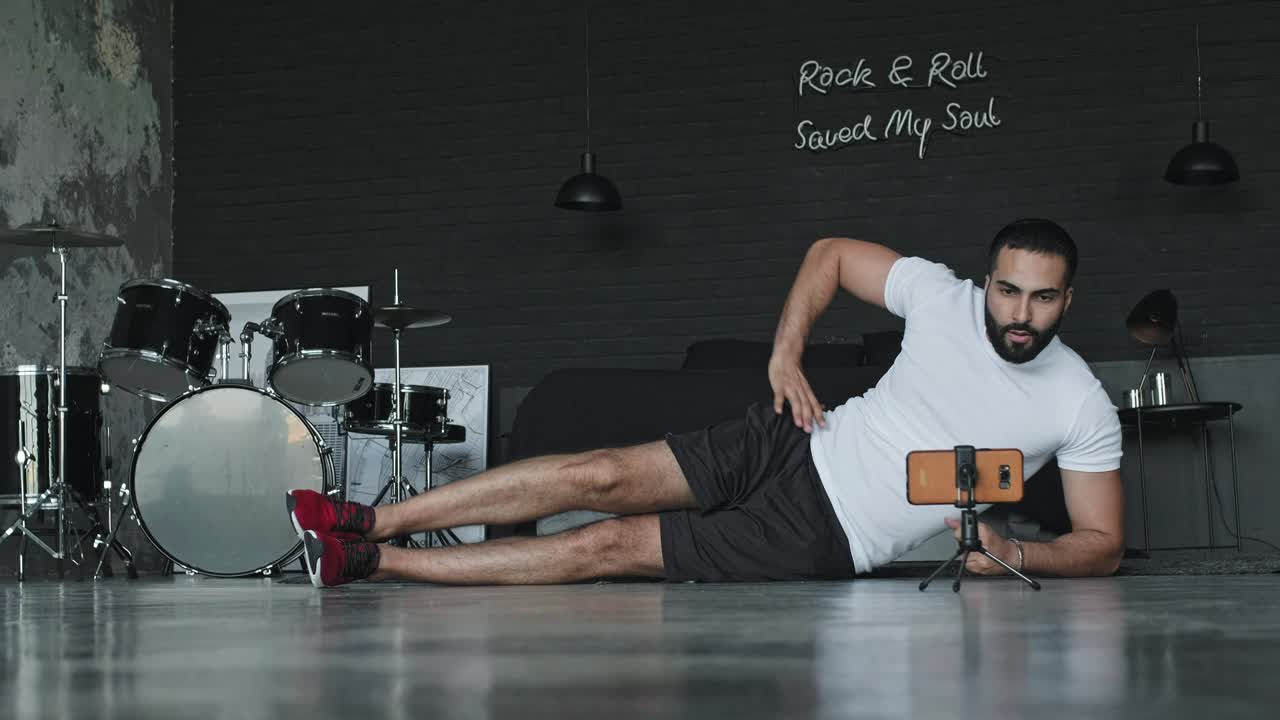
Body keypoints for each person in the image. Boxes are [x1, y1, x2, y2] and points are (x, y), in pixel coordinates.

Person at [288, 218, 1125, 587]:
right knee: (600, 473)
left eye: (1041, 300)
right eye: (1008, 291)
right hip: (800, 435)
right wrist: (785, 352)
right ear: (989, 281)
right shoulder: (943, 297)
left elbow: (1102, 544)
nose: (1019, 315)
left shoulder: (1078, 402)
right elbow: (830, 253)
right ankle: (367, 519)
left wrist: (1016, 553)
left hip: (831, 531)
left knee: (608, 545)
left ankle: (369, 563)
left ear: (1068, 301)